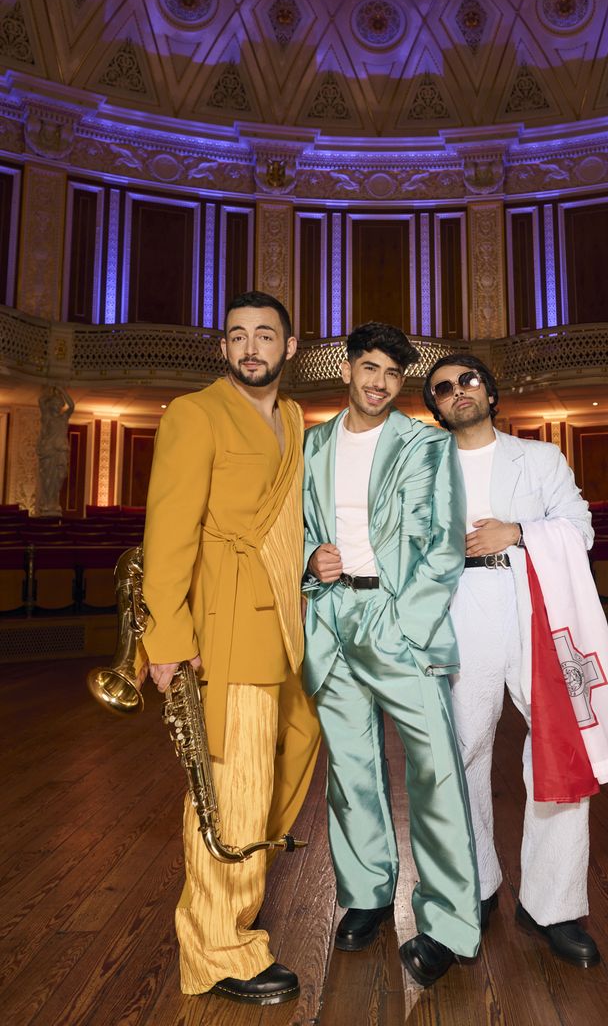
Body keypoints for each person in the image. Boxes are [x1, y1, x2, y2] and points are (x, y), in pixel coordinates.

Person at [423, 354, 608, 969]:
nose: (457, 392)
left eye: (468, 381)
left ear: (490, 393)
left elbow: (580, 528)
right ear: (434, 407)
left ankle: (554, 906)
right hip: (457, 613)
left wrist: (516, 532)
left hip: (533, 607)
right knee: (460, 752)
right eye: (442, 388)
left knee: (558, 751)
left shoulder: (539, 458)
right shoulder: (425, 464)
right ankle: (477, 886)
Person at [141, 291, 320, 1006]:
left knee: (294, 755)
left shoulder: (296, 418)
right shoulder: (195, 413)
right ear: (223, 348)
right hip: (225, 627)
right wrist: (167, 640)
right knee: (230, 790)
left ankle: (239, 893)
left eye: (265, 335)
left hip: (283, 620)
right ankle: (217, 949)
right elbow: (169, 533)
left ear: (290, 346)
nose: (252, 347)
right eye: (238, 335)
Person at [302, 322, 481, 987]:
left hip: (397, 619)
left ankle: (450, 923)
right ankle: (368, 895)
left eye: (391, 374)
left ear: (400, 381)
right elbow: (293, 531)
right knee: (351, 770)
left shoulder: (425, 444)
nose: (378, 383)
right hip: (330, 617)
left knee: (434, 771)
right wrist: (308, 560)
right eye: (368, 368)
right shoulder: (311, 444)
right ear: (348, 368)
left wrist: (407, 627)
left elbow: (442, 546)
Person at [37, 386, 74, 515]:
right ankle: (48, 503)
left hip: (61, 452)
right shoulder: (47, 417)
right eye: (55, 403)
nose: (58, 406)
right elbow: (41, 401)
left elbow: (72, 406)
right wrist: (50, 391)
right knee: (47, 478)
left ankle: (54, 502)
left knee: (60, 476)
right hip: (49, 451)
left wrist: (63, 390)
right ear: (51, 404)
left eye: (60, 404)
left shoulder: (64, 418)